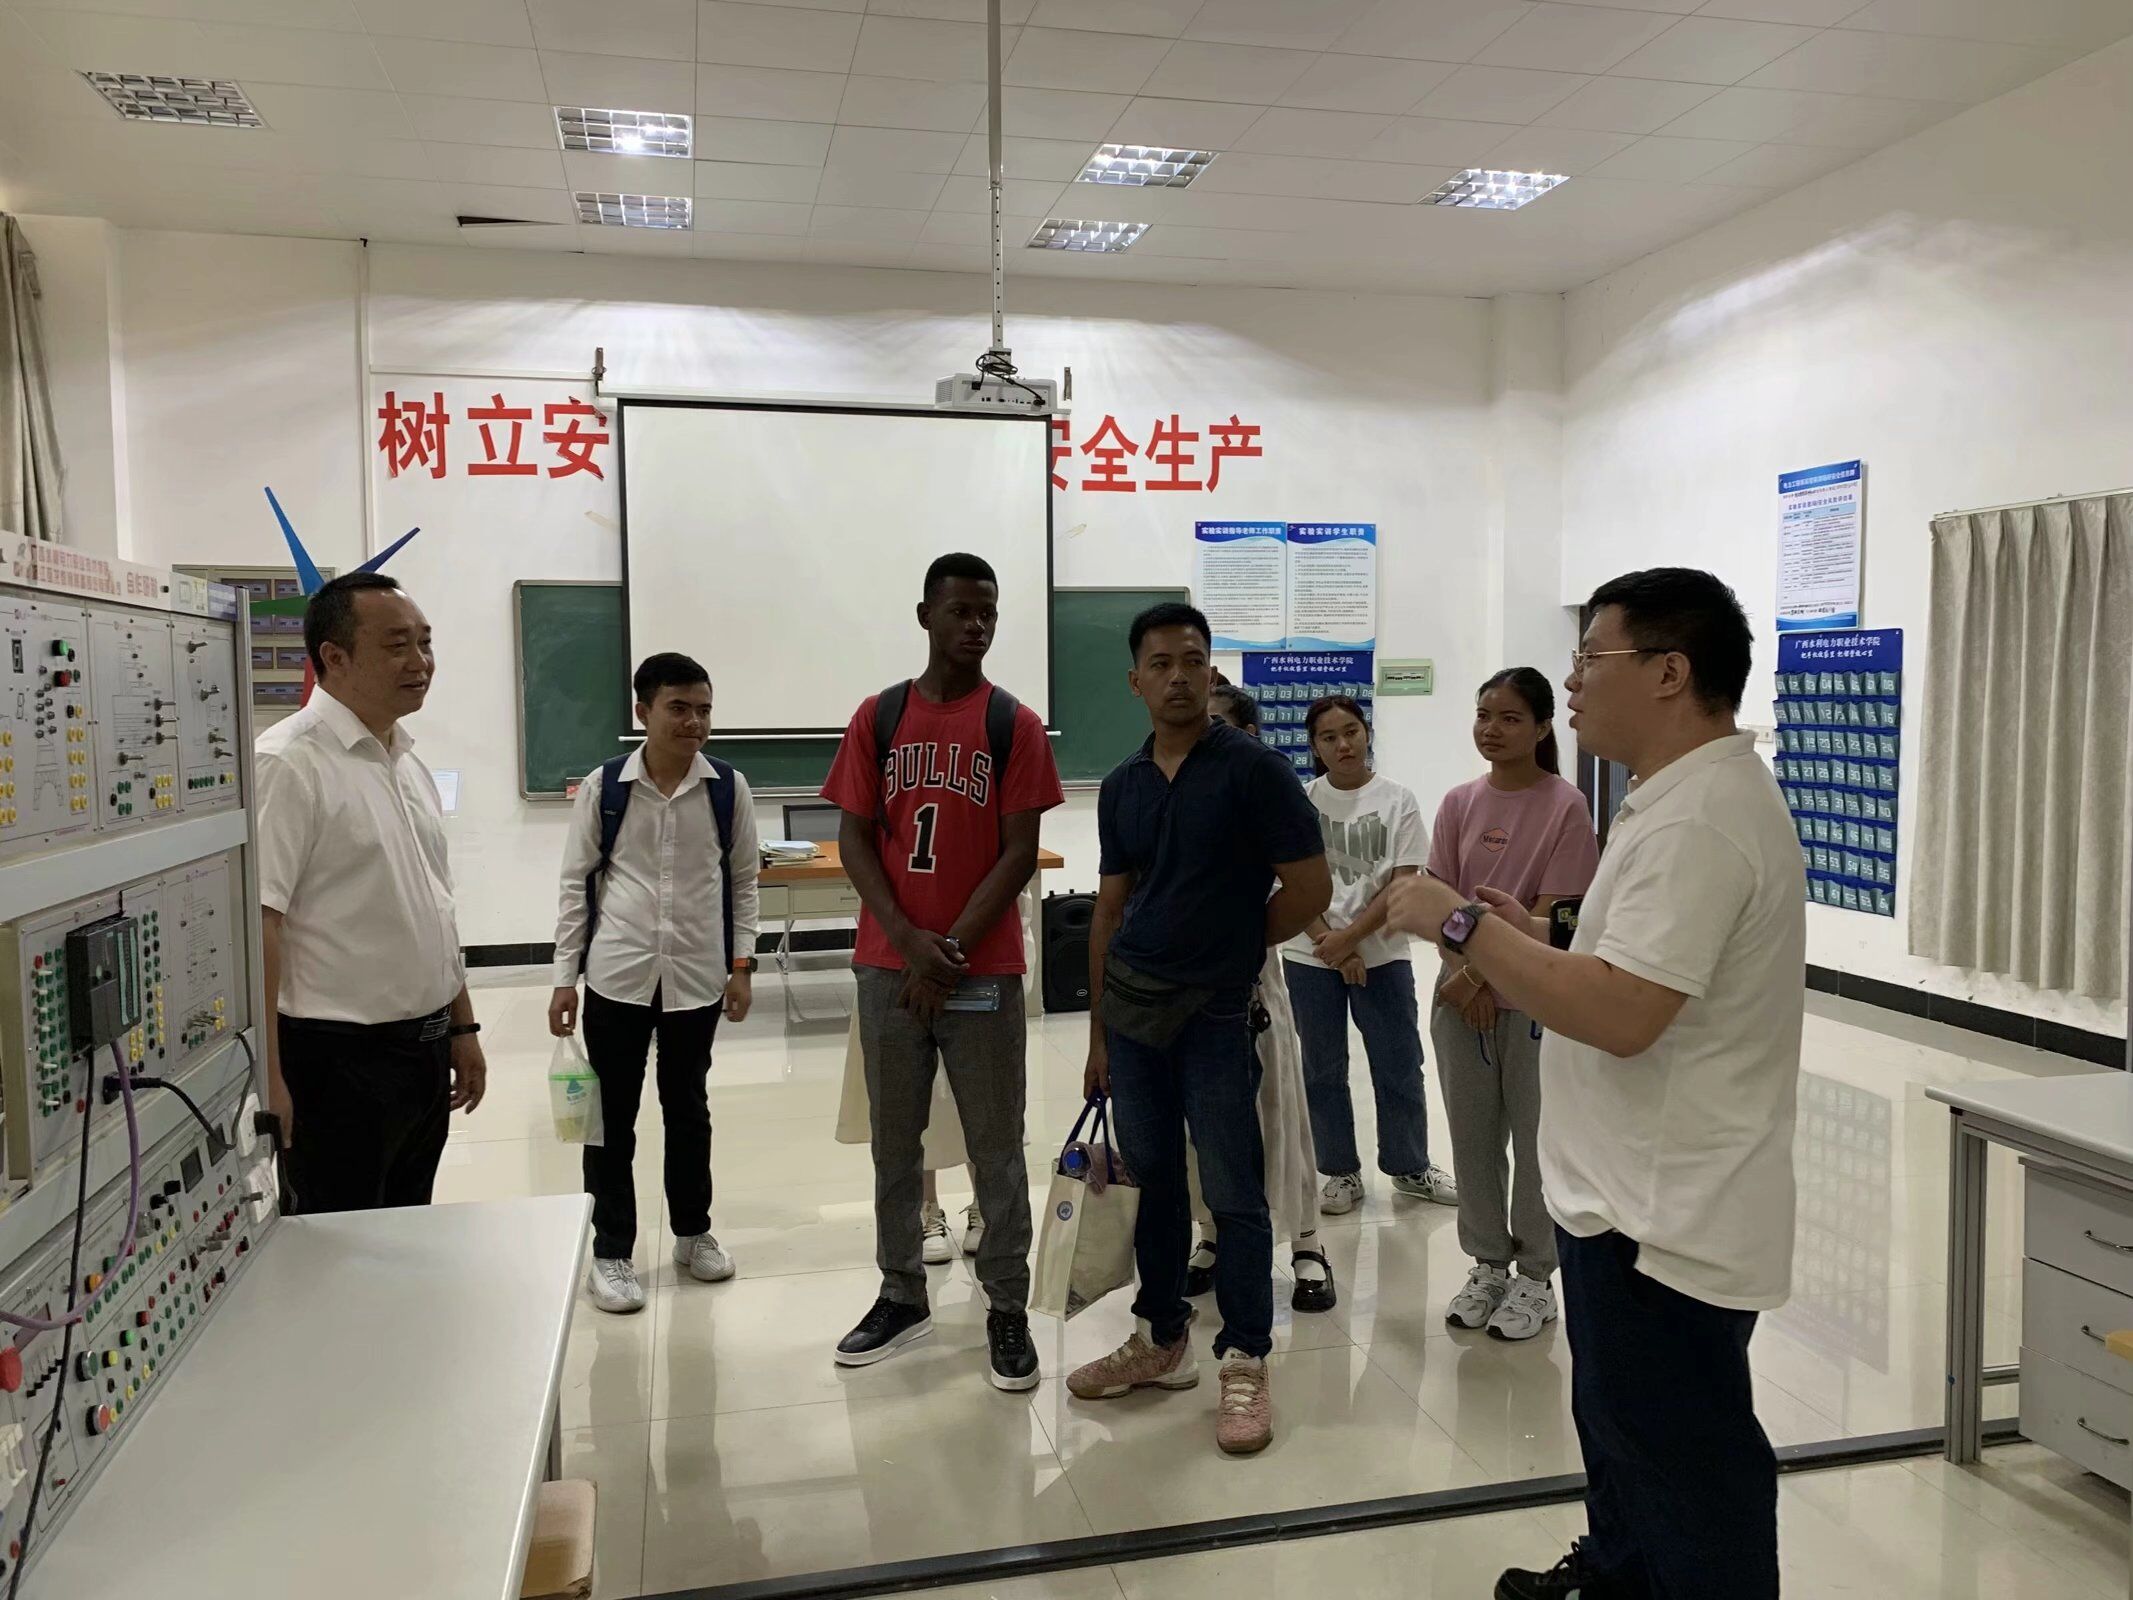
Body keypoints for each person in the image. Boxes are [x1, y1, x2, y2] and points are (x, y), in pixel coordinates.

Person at [1386, 569, 1803, 1600]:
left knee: (1688, 1470)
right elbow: (1634, 960)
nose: (1570, 681)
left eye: (1589, 658)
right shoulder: (1672, 798)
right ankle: (1618, 1575)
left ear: (1669, 672)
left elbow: (1622, 1011)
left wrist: (1458, 923)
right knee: (1623, 1436)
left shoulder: (1701, 817)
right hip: (1623, 1195)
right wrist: (1537, 933)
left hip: (1665, 1216)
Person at [1070, 604, 1330, 1457]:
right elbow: (1109, 908)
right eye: (1160, 663)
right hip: (1133, 1015)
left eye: (1192, 660)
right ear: (1135, 680)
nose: (1178, 676)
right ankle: (1159, 1337)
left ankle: (1245, 1356)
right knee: (1152, 1183)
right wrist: (1098, 1036)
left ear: (1211, 670)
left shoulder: (1253, 771)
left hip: (1217, 1013)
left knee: (1232, 1189)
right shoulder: (1123, 784)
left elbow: (1311, 889)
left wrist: (1234, 948)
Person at [819, 552, 1063, 1392]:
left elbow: (1020, 851)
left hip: (981, 970)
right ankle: (901, 1294)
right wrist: (906, 940)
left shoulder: (1012, 723)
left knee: (996, 1148)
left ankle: (1005, 1307)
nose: (975, 625)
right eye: (960, 610)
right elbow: (853, 838)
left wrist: (945, 949)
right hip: (889, 967)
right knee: (894, 1145)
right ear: (925, 615)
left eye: (987, 611)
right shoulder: (879, 716)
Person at [256, 572, 486, 1211]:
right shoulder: (287, 763)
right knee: (342, 1239)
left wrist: (462, 1027)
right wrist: (268, 1076)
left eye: (425, 643)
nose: (420, 662)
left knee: (407, 1224)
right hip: (337, 1062)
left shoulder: (406, 762)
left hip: (423, 1051)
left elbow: (435, 905)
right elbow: (260, 925)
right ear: (334, 656)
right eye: (396, 646)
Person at [549, 652, 762, 1314]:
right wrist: (564, 977)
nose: (694, 722)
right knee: (610, 1118)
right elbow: (575, 884)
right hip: (618, 974)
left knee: (688, 1108)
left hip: (696, 977)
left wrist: (742, 966)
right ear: (643, 712)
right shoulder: (605, 787)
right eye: (679, 708)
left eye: (703, 710)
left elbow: (744, 882)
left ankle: (692, 1233)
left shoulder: (727, 788)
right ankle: (610, 1252)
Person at [1428, 668, 1598, 1342]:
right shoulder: (1458, 803)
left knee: (1534, 1141)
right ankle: (1487, 1265)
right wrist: (1464, 977)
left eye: (1508, 718)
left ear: (1542, 727)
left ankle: (1535, 1277)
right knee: (1471, 1140)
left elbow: (1551, 915)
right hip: (1457, 998)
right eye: (1483, 715)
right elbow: (1440, 902)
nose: (1491, 729)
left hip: (1533, 1001)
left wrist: (1482, 971)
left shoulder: (1565, 807)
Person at [1186, 684, 1334, 1313]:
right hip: (1187, 984)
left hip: (1253, 974)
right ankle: (1210, 1234)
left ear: (1248, 733)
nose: (1203, 733)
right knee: (1202, 1124)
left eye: (1218, 723)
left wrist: (1243, 939)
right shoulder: (1172, 788)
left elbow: (1304, 888)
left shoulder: (1267, 791)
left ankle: (1307, 1241)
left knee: (1278, 1106)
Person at [1284, 695, 1457, 1217]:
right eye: (1329, 737)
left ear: (1366, 733)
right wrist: (1333, 947)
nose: (1343, 744)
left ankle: (1409, 1166)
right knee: (1322, 1069)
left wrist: (1351, 939)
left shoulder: (1398, 799)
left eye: (1352, 731)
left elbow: (1404, 881)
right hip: (1310, 953)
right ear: (1314, 747)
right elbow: (1286, 881)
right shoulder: (1300, 802)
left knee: (1399, 1063)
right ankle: (1339, 1172)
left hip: (1383, 953)